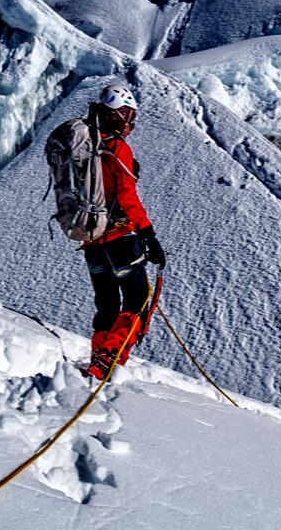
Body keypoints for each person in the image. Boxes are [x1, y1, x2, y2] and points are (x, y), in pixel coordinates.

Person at [82, 85, 166, 379]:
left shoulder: (85, 144)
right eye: (128, 114)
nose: (131, 121)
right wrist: (148, 234)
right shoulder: (117, 147)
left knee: (106, 302)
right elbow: (127, 196)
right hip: (121, 237)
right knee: (136, 299)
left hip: (91, 239)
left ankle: (98, 358)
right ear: (119, 114)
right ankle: (109, 359)